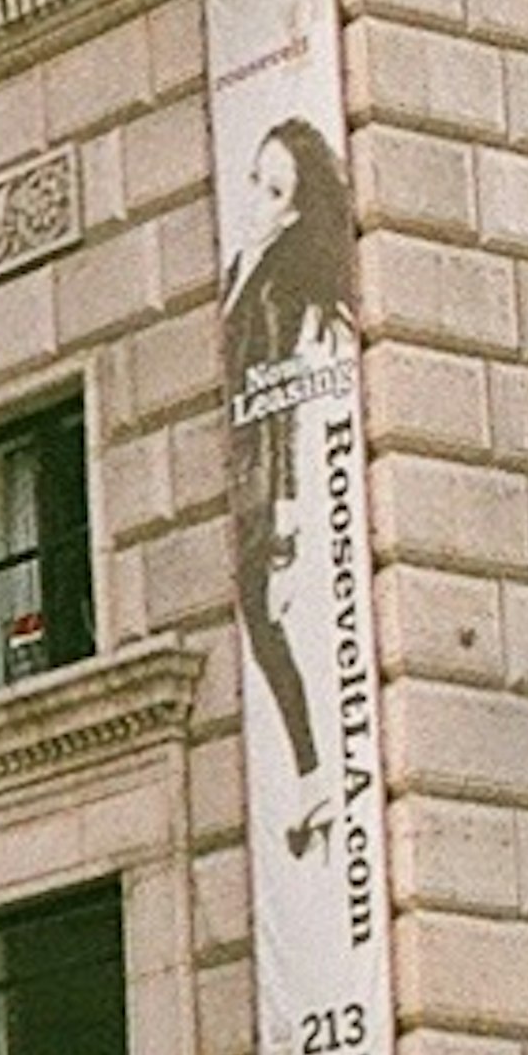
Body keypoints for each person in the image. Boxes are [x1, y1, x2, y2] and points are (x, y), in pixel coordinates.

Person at [218, 113, 356, 849]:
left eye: (274, 190)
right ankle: (312, 780)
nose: (256, 200)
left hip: (268, 481)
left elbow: (287, 397)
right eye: (255, 180)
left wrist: (291, 509)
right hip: (245, 476)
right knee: (263, 623)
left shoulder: (279, 284)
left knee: (272, 616)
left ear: (297, 207)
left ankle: (316, 779)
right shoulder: (242, 265)